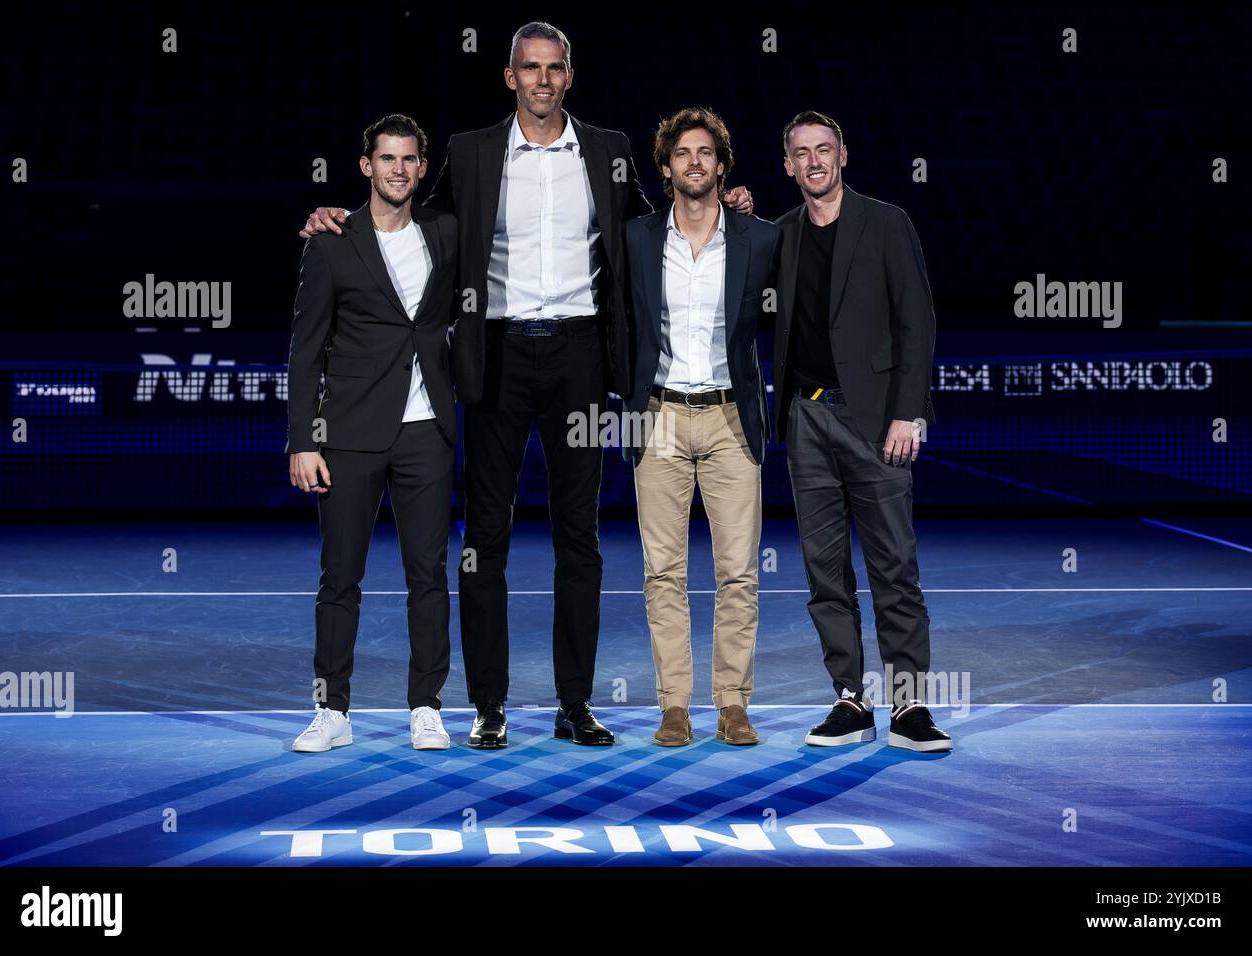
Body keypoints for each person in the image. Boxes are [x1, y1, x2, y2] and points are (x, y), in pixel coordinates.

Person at [299, 22, 754, 748]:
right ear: (509, 78)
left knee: (581, 539)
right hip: (497, 357)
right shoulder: (471, 153)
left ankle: (576, 705)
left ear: (569, 77)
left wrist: (716, 209)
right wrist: (342, 221)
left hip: (580, 357)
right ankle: (488, 707)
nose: (542, 80)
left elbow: (648, 226)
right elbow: (416, 217)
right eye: (528, 68)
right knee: (486, 539)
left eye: (554, 68)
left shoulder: (607, 151)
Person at [771, 111, 951, 752]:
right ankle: (850, 699)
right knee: (825, 572)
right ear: (787, 164)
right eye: (801, 153)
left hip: (877, 422)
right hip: (807, 419)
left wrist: (910, 411)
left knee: (893, 568)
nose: (814, 161)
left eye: (824, 149)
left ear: (843, 154)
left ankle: (909, 707)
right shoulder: (782, 234)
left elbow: (917, 323)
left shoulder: (886, 221)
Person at [287, 114, 459, 752]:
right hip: (351, 435)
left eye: (410, 159)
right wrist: (302, 440)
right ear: (366, 166)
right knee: (340, 578)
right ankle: (332, 710)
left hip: (426, 432)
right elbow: (305, 352)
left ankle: (426, 705)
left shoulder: (445, 231)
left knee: (429, 576)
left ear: (421, 167)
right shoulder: (332, 241)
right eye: (386, 158)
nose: (398, 169)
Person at [622, 108, 780, 747]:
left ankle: (734, 705)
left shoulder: (758, 239)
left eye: (706, 152)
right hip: (658, 416)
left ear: (721, 165)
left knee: (737, 570)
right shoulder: (636, 238)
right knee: (664, 572)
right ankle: (674, 707)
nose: (694, 161)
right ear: (666, 169)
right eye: (682, 153)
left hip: (730, 418)